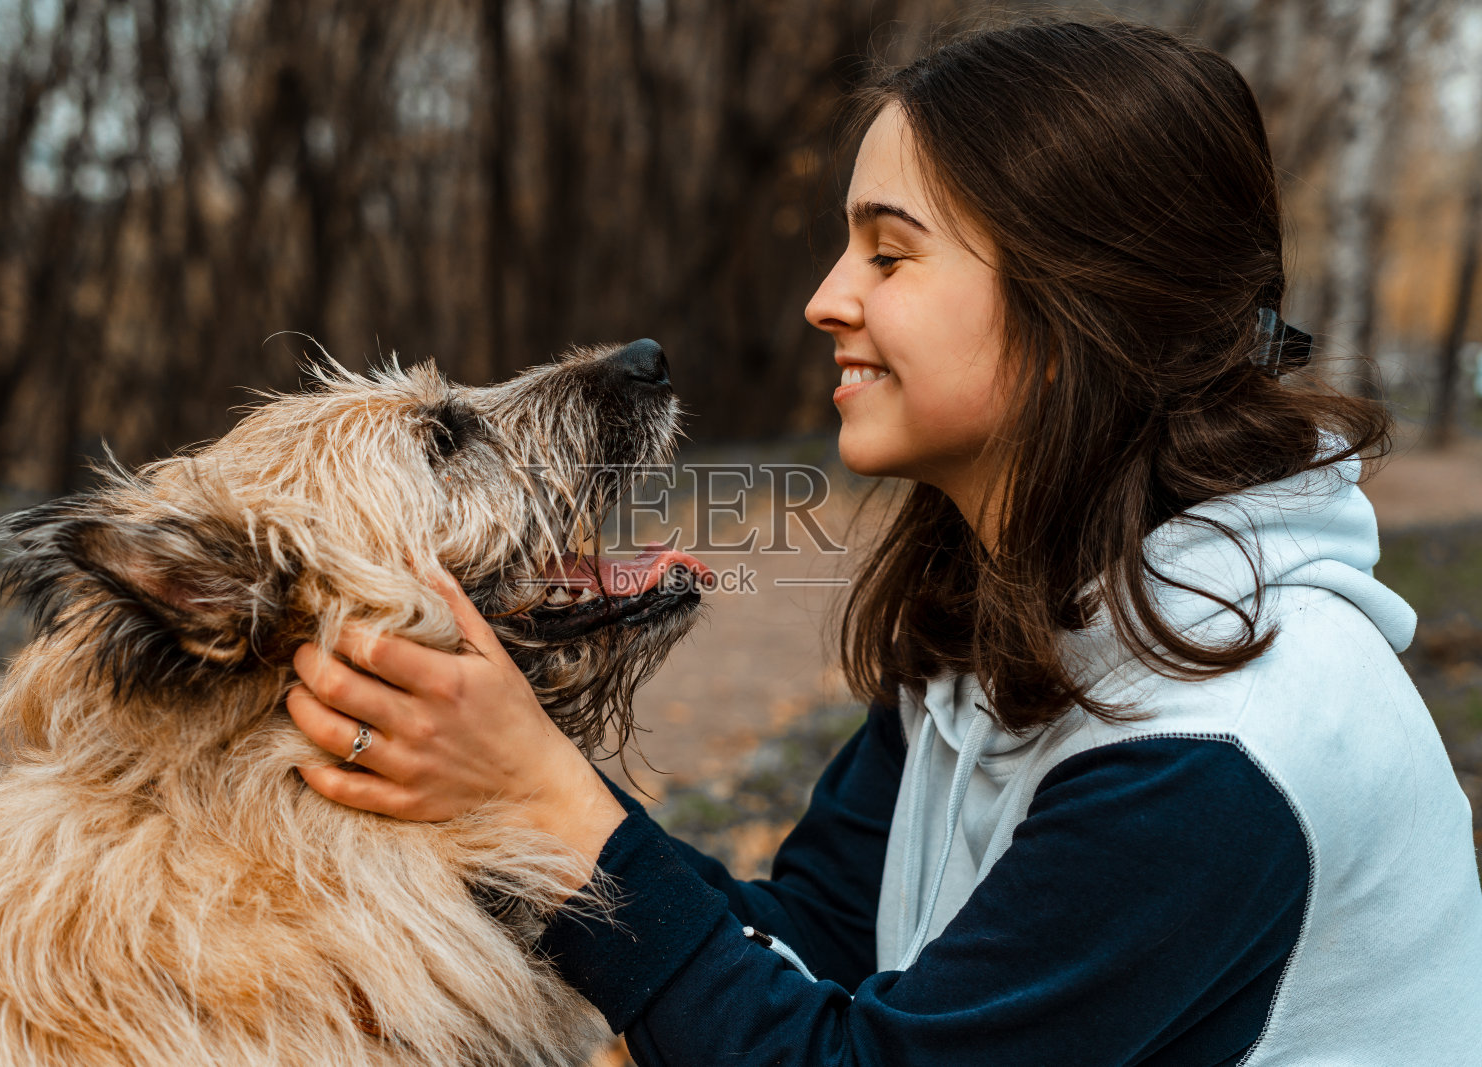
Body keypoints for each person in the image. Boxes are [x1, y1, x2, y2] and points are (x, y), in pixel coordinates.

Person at [284, 17, 1482, 1065]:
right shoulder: (1016, 614)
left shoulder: (1217, 747)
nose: (825, 298)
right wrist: (506, 779)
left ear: (1082, 311)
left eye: (890, 253)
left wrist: (546, 810)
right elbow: (815, 943)